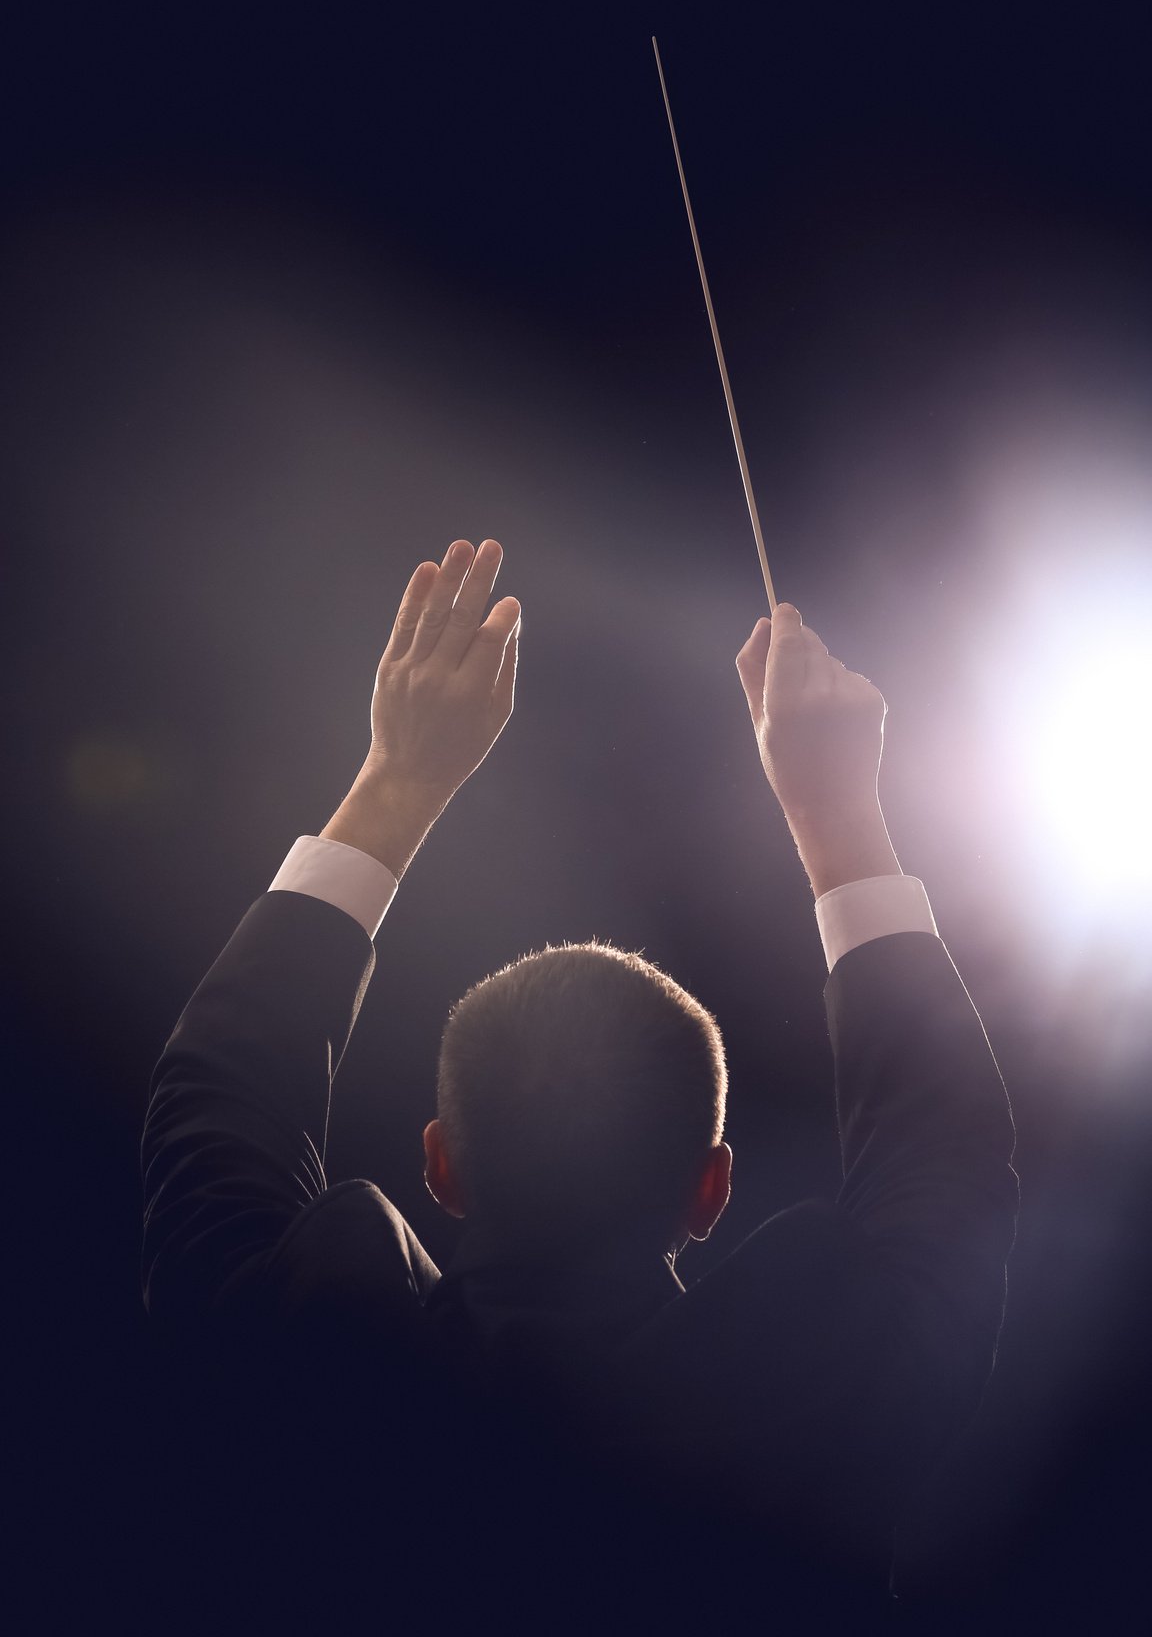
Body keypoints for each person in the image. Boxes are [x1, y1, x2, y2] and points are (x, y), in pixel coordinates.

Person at [141, 538, 1017, 1627]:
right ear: (713, 1187)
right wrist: (840, 816)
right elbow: (954, 1146)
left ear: (440, 1165)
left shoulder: (294, 1385)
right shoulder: (818, 1412)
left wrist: (395, 780)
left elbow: (216, 1096)